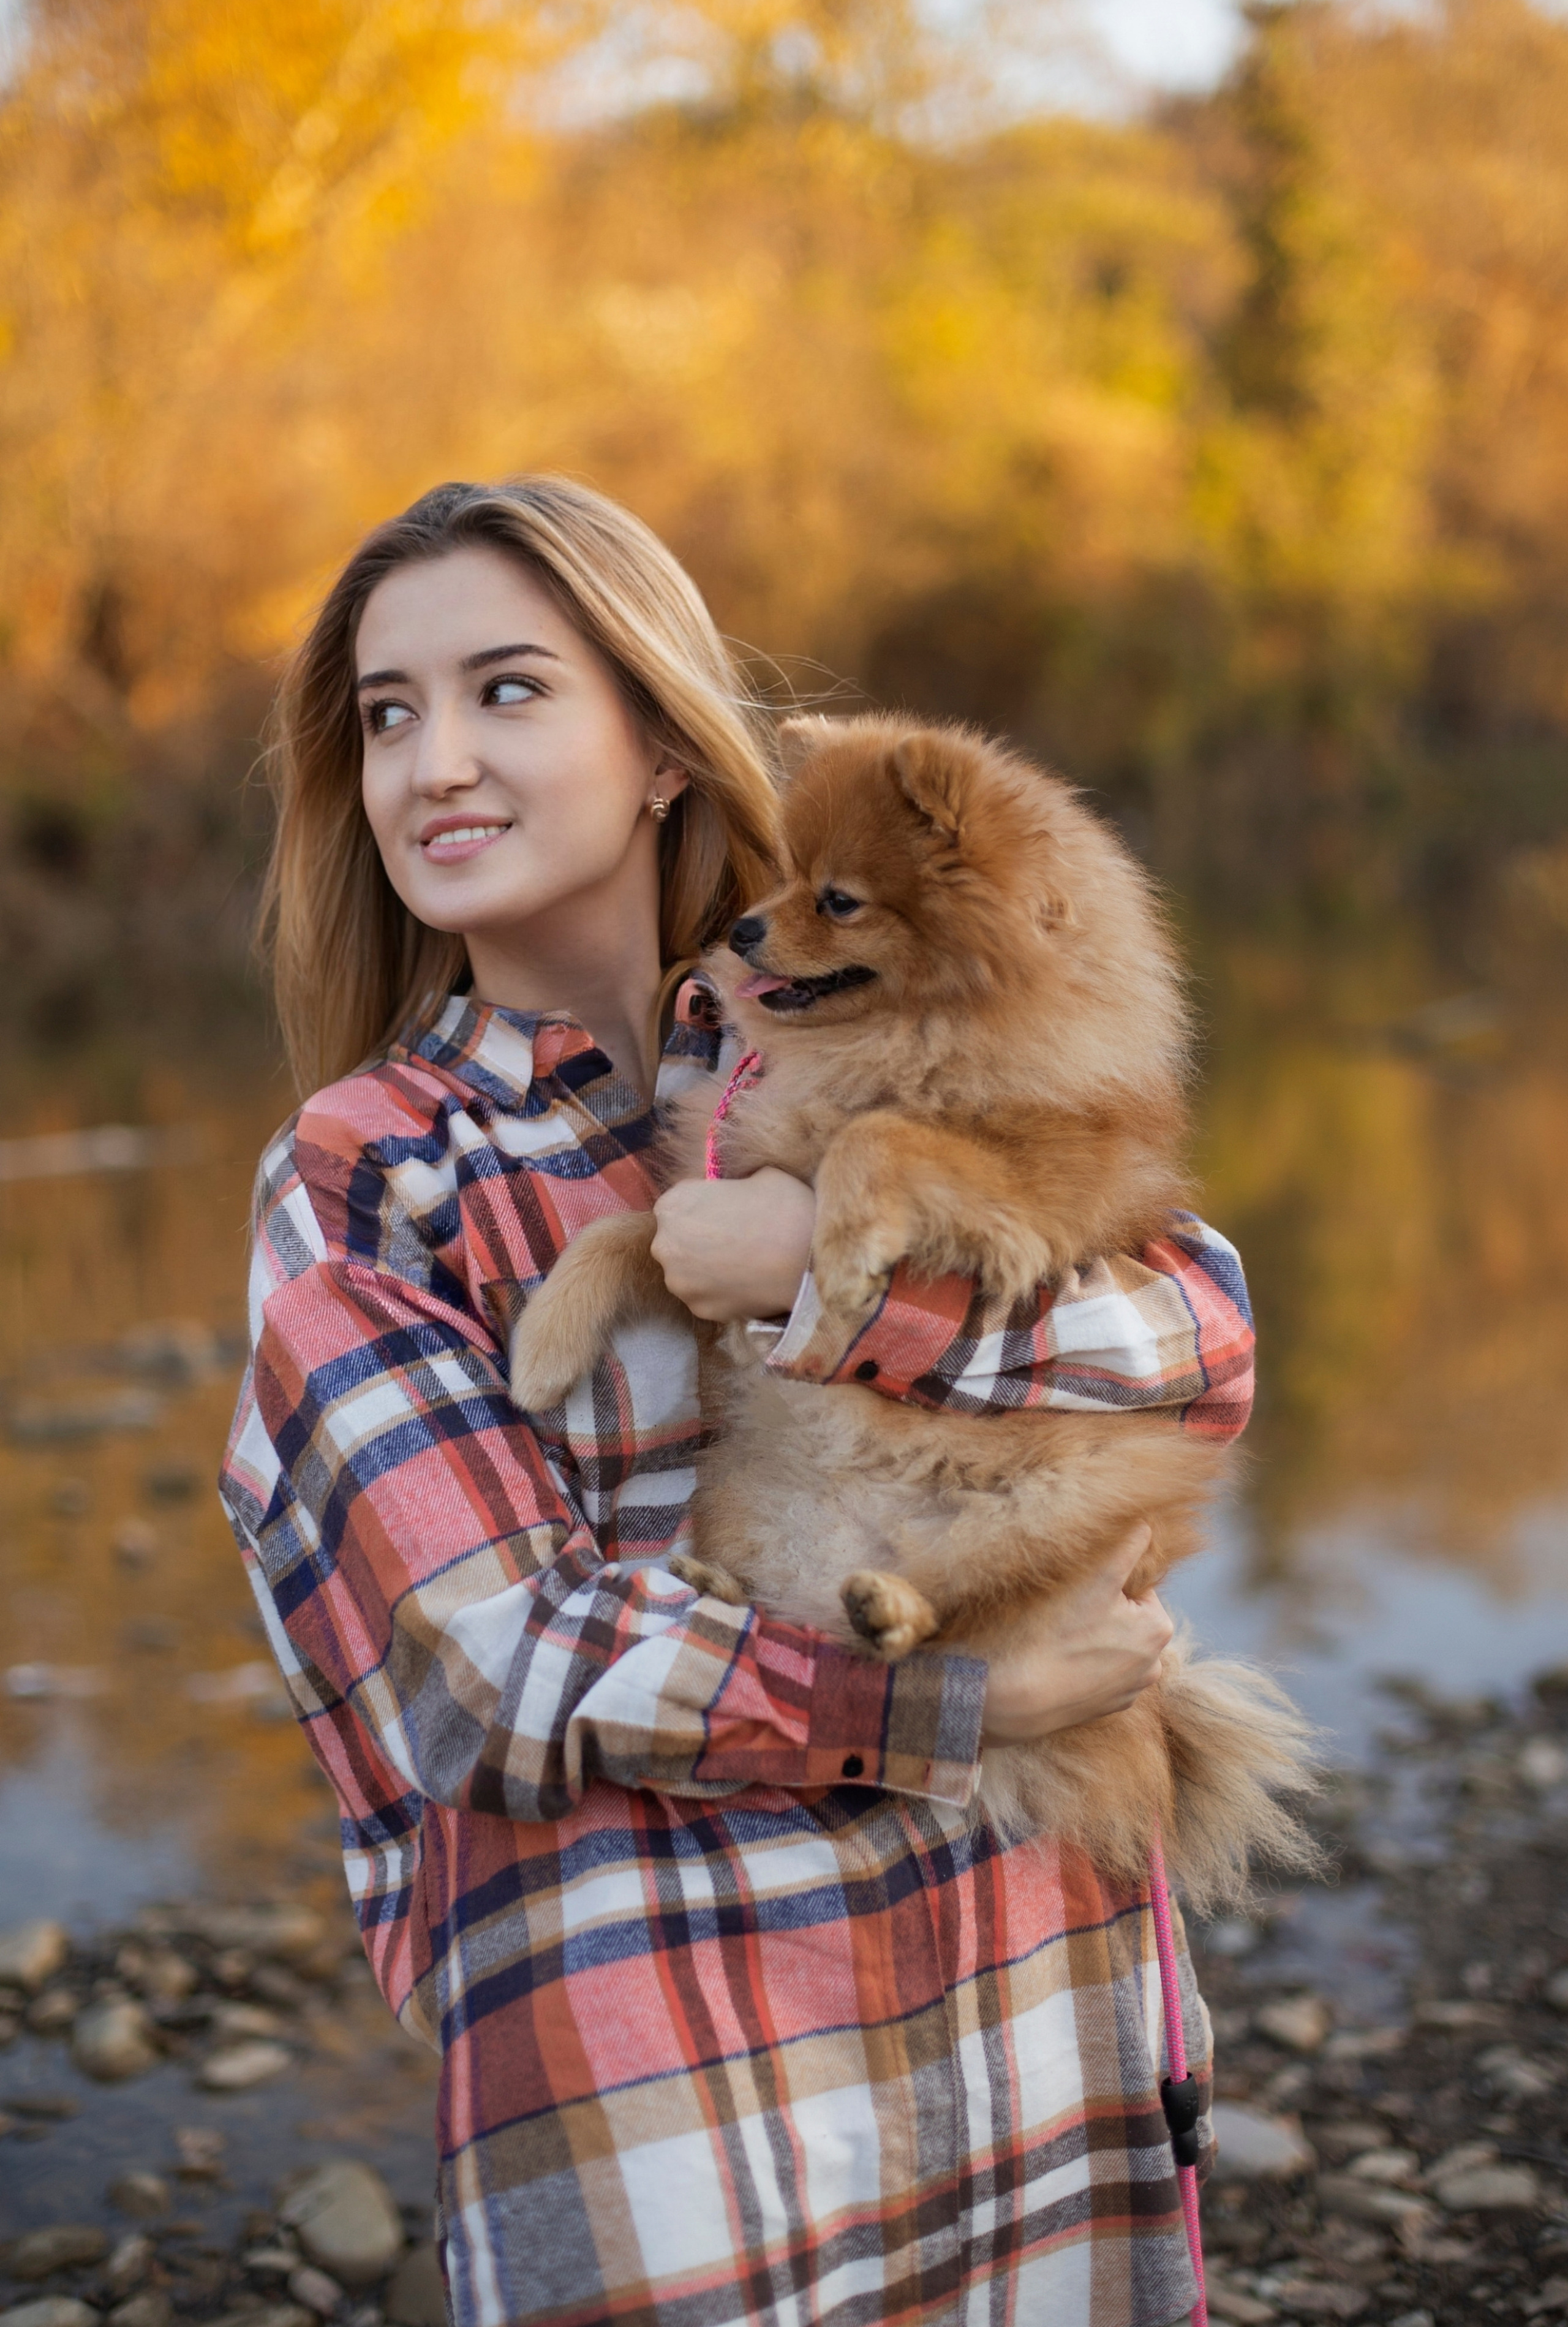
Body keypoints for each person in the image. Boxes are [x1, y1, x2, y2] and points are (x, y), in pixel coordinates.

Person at [222, 477, 1255, 2327]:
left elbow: (1204, 1342)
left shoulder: (866, 1021)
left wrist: (821, 1278)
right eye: (387, 716)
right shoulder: (369, 1174)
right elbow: (500, 1669)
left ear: (662, 749)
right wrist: (967, 1701)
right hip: (680, 2084)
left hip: (1027, 1995)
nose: (434, 763)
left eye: (506, 690)